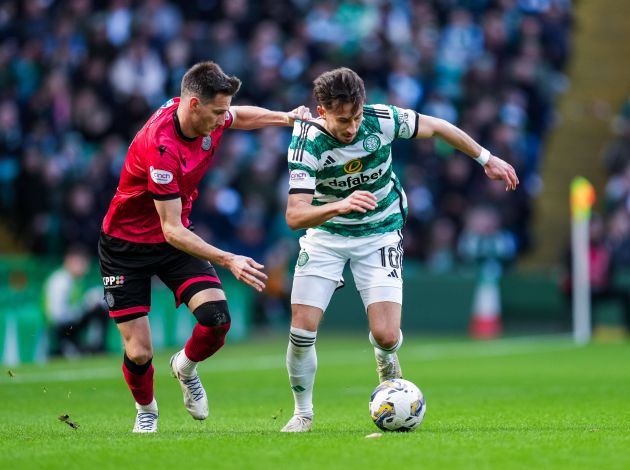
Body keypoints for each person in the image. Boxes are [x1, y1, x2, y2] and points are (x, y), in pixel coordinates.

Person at [281, 67, 519, 432]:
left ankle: (386, 356)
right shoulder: (307, 142)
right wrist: (340, 205)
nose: (352, 127)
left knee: (387, 335)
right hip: (326, 236)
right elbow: (295, 215)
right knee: (302, 331)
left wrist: (487, 159)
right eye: (343, 120)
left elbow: (437, 127)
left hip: (380, 232)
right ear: (322, 111)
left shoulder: (381, 119)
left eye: (356, 117)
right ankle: (303, 413)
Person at [98, 61, 311, 433]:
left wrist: (286, 118)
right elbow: (170, 229)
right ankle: (146, 411)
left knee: (217, 320)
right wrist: (228, 259)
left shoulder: (205, 117)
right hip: (127, 245)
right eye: (216, 112)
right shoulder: (161, 148)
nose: (221, 119)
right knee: (140, 352)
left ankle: (185, 366)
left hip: (173, 238)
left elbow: (239, 117)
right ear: (194, 104)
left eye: (223, 111)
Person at [44, 245, 109, 358]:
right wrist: (84, 307)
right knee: (97, 309)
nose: (85, 266)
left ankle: (91, 347)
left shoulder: (74, 280)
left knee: (100, 305)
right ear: (69, 260)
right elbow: (58, 315)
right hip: (61, 328)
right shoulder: (61, 281)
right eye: (81, 262)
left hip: (69, 324)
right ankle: (92, 348)